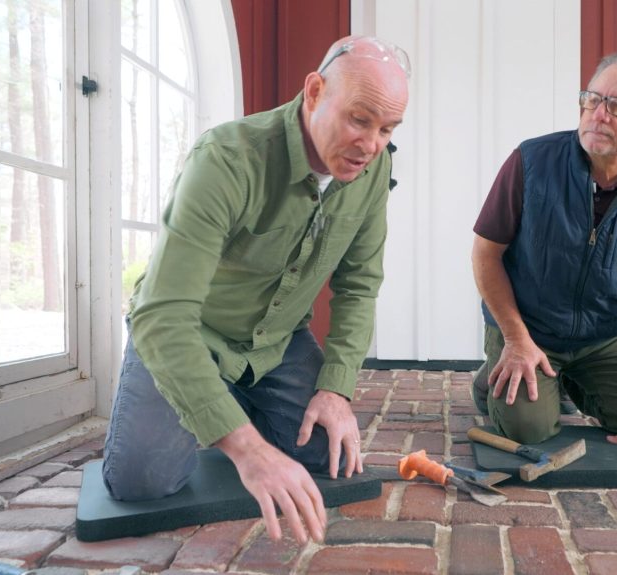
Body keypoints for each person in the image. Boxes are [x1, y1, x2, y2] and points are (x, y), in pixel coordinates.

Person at [102, 36, 410, 545]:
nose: (371, 145)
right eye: (359, 120)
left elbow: (359, 284)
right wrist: (248, 450)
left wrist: (335, 388)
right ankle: (212, 402)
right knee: (142, 483)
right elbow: (163, 314)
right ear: (314, 91)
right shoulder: (225, 159)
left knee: (328, 460)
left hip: (276, 342)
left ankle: (223, 406)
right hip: (192, 333)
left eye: (387, 129)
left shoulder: (374, 167)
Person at [471, 50, 617, 451]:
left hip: (603, 336)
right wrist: (516, 339)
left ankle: (565, 378)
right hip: (528, 328)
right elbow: (485, 255)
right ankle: (490, 380)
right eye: (592, 99)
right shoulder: (530, 162)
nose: (599, 114)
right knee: (529, 429)